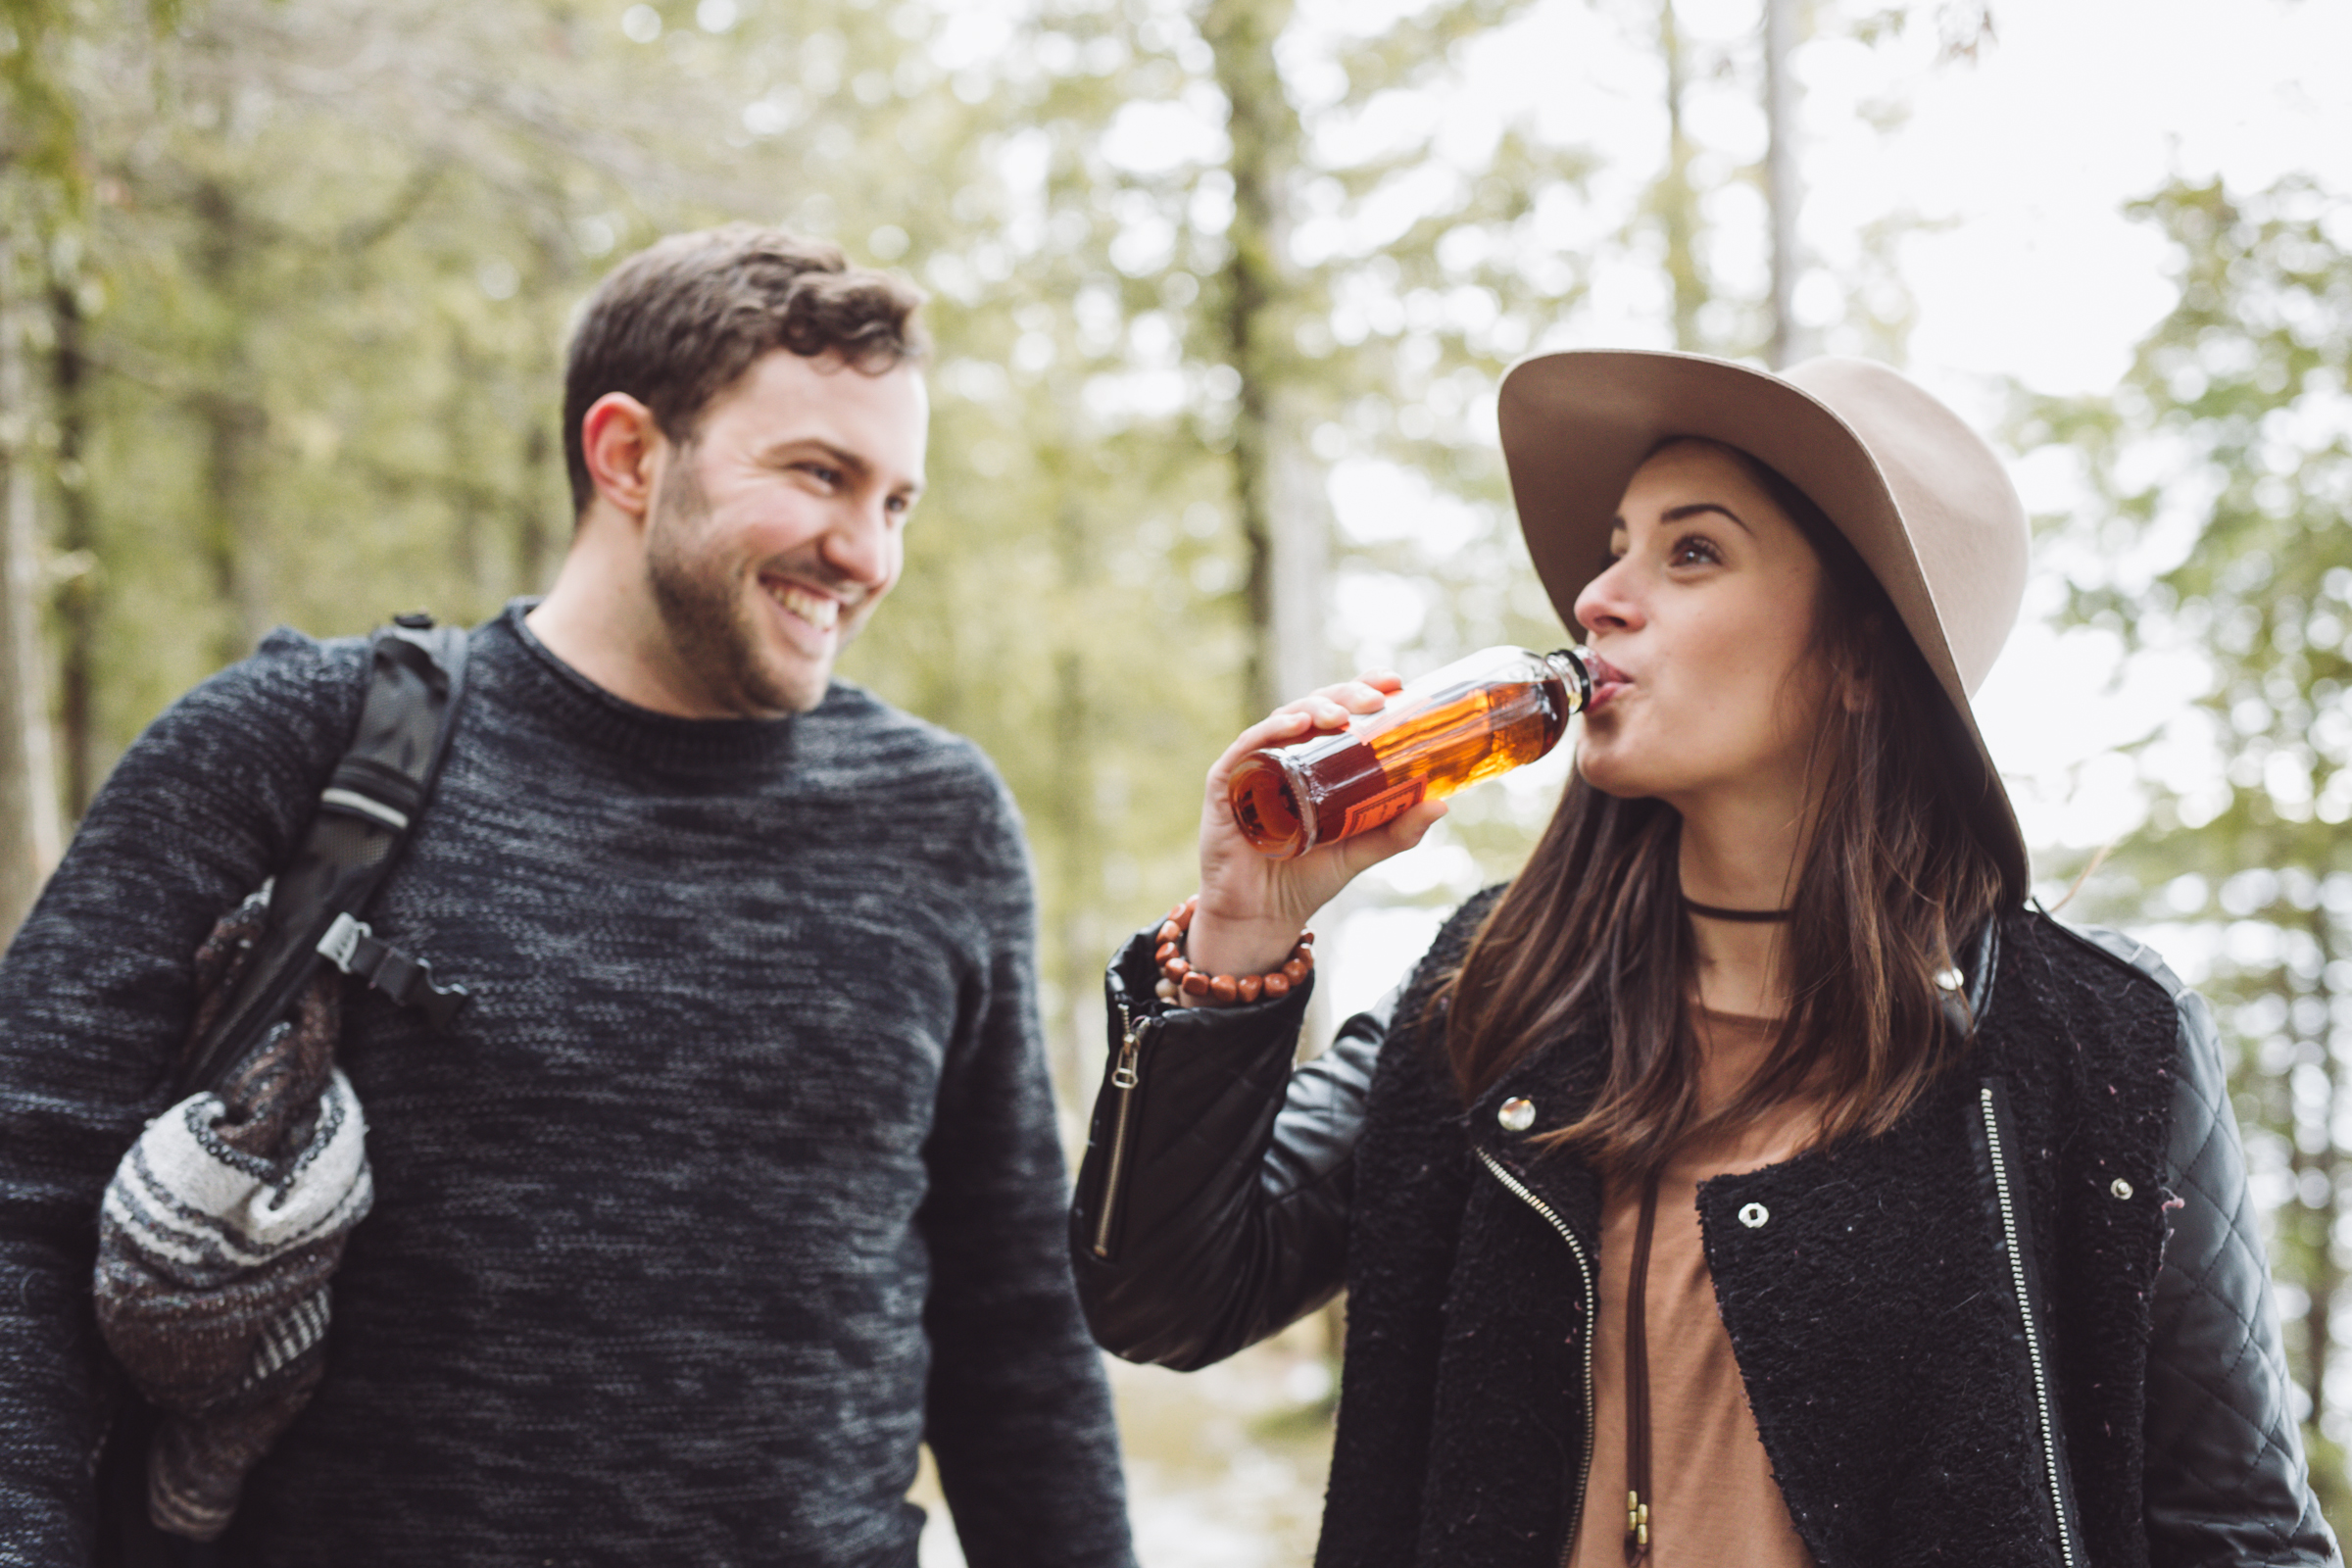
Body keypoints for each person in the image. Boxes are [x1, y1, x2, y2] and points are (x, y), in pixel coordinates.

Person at [1070, 349, 2341, 1567]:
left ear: (1858, 659)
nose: (1598, 597)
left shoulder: (2095, 1041)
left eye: (1693, 551)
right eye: (1617, 546)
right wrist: (1243, 927)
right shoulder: (1494, 989)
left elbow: (2239, 1535)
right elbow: (1167, 1297)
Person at [0, 225, 1134, 1567]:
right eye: (820, 475)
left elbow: (1014, 1324)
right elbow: (28, 1196)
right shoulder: (293, 747)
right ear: (628, 456)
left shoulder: (939, 820)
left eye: (897, 501)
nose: (866, 554)